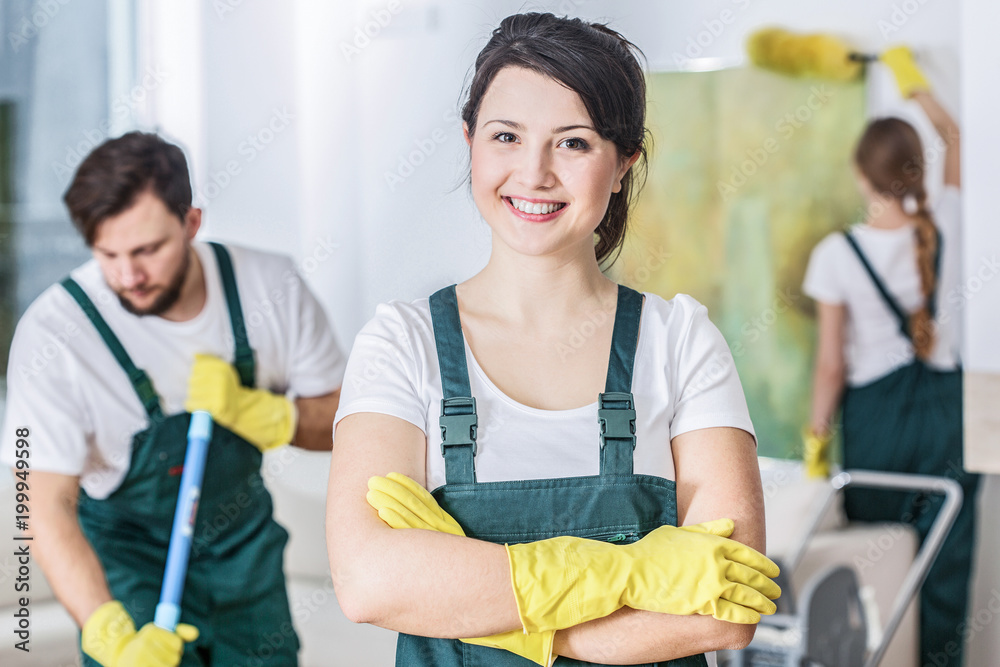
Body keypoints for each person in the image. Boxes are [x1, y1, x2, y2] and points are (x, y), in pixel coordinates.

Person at [327, 13, 780, 667]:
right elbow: (369, 581)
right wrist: (627, 574)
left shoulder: (681, 342)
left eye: (572, 143)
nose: (534, 172)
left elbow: (726, 611)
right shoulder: (403, 344)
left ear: (624, 162)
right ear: (470, 143)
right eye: (506, 136)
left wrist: (471, 607)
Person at [0, 132, 346, 666]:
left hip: (243, 554)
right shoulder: (55, 335)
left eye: (147, 250)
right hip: (125, 565)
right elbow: (41, 507)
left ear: (191, 223)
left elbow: (345, 424)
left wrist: (266, 414)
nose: (127, 276)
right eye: (107, 253)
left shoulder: (269, 286)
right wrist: (108, 635)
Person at [802, 47, 978, 666]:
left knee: (880, 562)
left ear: (861, 174)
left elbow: (830, 365)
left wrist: (815, 443)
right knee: (945, 566)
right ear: (914, 170)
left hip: (877, 424)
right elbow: (953, 134)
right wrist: (910, 78)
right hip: (951, 414)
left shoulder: (837, 254)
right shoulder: (949, 220)